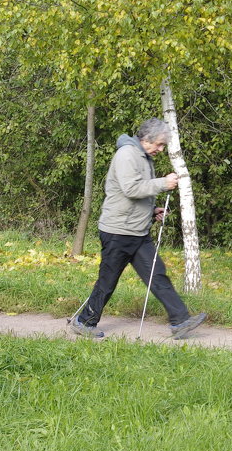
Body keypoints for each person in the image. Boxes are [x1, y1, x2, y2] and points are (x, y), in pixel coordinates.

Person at [69, 118, 207, 339]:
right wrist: (163, 183)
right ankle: (84, 322)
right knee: (108, 281)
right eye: (159, 145)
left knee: (157, 275)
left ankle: (180, 321)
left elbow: (137, 194)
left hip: (138, 232)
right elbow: (131, 188)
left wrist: (152, 211)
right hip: (118, 231)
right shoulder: (127, 155)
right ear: (146, 139)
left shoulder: (143, 157)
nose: (161, 150)